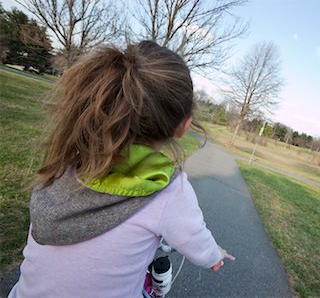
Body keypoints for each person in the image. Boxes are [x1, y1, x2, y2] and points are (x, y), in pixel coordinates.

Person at [8, 41, 235, 298]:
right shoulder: (170, 189)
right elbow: (196, 240)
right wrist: (214, 256)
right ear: (183, 127)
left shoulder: (69, 160)